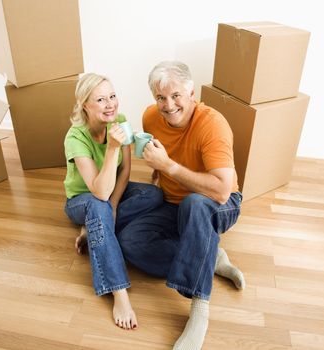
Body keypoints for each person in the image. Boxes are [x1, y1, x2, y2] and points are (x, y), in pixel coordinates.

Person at [117, 61, 245, 349]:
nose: (168, 105)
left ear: (191, 93)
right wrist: (156, 168)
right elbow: (161, 162)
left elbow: (223, 191)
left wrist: (170, 167)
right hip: (173, 202)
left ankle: (199, 310)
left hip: (218, 204)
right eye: (160, 97)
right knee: (131, 241)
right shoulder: (150, 117)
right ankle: (210, 256)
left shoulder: (212, 124)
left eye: (175, 95)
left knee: (196, 204)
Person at [63, 73, 164, 330]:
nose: (111, 104)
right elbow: (98, 192)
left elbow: (126, 172)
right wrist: (111, 148)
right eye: (100, 99)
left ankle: (95, 227)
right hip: (82, 199)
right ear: (85, 104)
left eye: (112, 96)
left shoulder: (119, 121)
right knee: (98, 206)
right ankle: (119, 292)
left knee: (153, 194)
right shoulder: (75, 138)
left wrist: (115, 206)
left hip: (110, 195)